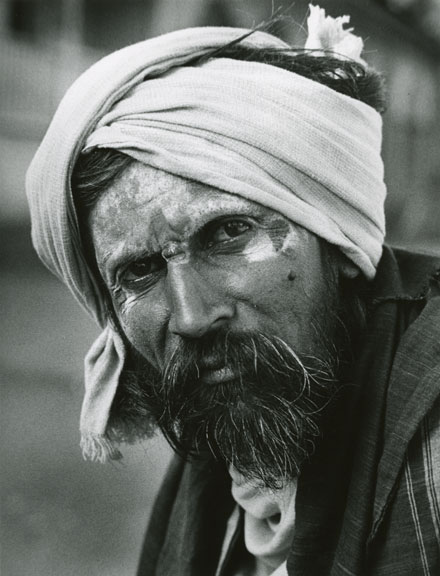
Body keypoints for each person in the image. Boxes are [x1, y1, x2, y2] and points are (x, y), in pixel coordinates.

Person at [26, 5, 440, 576]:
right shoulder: (233, 451)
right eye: (141, 271)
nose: (193, 317)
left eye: (228, 233)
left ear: (338, 240)